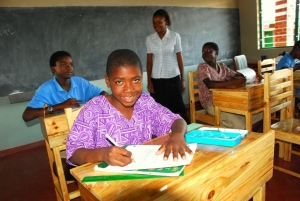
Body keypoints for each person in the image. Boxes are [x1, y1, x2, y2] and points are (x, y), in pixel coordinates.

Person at [66, 49, 192, 167]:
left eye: (136, 80)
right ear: (107, 81)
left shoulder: (144, 102)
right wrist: (103, 154)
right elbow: (73, 154)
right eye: (119, 82)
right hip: (105, 182)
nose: (129, 89)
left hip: (142, 174)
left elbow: (177, 121)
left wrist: (177, 135)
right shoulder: (94, 110)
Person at [22, 51, 107, 122]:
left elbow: (105, 95)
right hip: (62, 130)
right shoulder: (45, 89)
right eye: (63, 64)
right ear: (53, 68)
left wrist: (93, 102)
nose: (69, 67)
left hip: (85, 126)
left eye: (71, 64)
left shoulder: (80, 82)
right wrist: (59, 106)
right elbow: (27, 116)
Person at [197, 42, 263, 130]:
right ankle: (236, 135)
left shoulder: (222, 66)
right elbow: (210, 84)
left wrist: (254, 75)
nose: (205, 54)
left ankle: (247, 134)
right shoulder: (203, 67)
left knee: (260, 114)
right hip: (212, 103)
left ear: (216, 52)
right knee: (241, 125)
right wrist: (233, 83)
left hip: (226, 100)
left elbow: (236, 75)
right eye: (203, 52)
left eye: (208, 50)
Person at [146, 9, 190, 124]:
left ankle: (191, 127)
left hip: (172, 78)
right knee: (158, 109)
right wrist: (149, 81)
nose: (156, 25)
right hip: (157, 80)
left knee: (179, 106)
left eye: (159, 22)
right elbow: (149, 61)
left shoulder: (175, 36)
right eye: (154, 23)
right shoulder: (150, 39)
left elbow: (180, 58)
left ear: (166, 22)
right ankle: (163, 134)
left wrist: (183, 79)